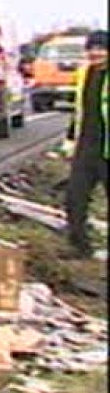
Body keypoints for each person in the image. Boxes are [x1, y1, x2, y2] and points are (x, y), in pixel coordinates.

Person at [63, 30, 108, 258]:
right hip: (87, 146)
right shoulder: (85, 73)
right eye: (91, 49)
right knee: (74, 197)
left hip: (107, 148)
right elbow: (79, 110)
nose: (96, 53)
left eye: (101, 49)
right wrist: (71, 139)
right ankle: (79, 246)